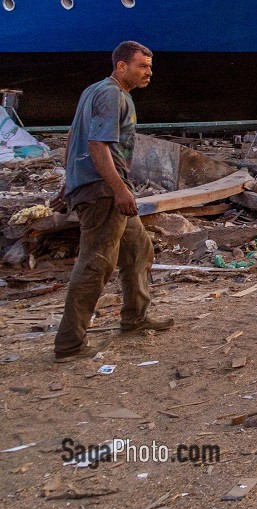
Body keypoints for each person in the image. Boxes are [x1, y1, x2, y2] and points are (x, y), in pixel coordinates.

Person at [54, 41, 173, 360]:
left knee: (138, 249)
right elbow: (96, 144)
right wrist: (120, 189)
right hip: (103, 190)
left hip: (96, 186)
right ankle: (69, 343)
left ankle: (135, 319)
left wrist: (69, 181)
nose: (149, 72)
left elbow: (72, 135)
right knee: (96, 263)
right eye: (142, 66)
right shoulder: (112, 94)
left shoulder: (93, 91)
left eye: (150, 66)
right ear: (122, 66)